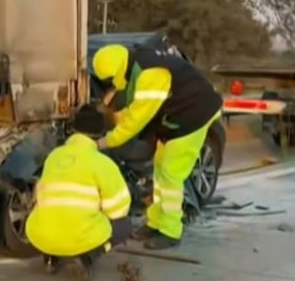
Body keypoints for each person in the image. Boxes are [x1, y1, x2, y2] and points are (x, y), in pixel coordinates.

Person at [91, 43, 222, 250]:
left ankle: (170, 230)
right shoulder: (137, 64)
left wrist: (104, 142)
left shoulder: (149, 75)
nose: (110, 84)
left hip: (194, 116)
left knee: (170, 173)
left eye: (108, 79)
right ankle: (155, 222)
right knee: (160, 170)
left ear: (115, 70)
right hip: (180, 116)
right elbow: (134, 111)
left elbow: (136, 120)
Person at [24, 122, 132, 278]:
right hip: (79, 238)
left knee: (49, 216)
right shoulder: (102, 162)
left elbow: (39, 193)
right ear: (99, 136)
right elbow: (118, 209)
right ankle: (86, 258)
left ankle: (50, 258)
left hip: (40, 235)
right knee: (124, 226)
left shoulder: (53, 156)